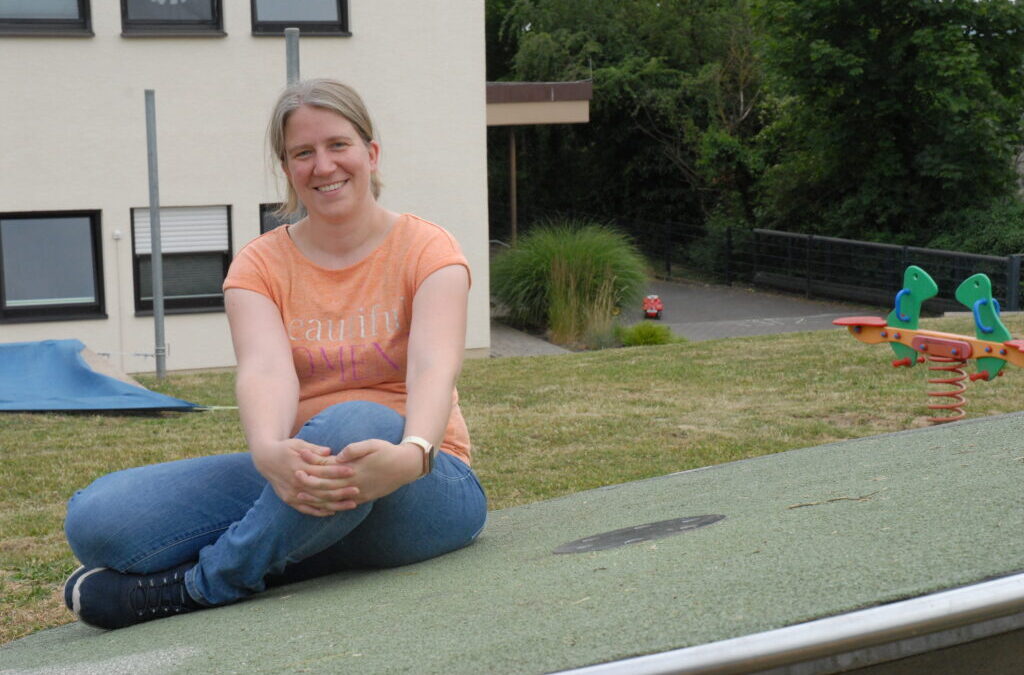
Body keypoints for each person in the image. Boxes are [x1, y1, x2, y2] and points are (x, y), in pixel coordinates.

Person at [61, 78, 487, 630]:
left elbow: (433, 365)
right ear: (286, 168)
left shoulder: (428, 249)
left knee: (353, 423)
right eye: (302, 153)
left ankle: (202, 584)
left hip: (425, 480)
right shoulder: (258, 265)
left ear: (371, 153)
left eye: (338, 145)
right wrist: (267, 451)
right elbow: (265, 369)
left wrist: (414, 453)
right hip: (303, 475)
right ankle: (298, 549)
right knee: (98, 519)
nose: (323, 166)